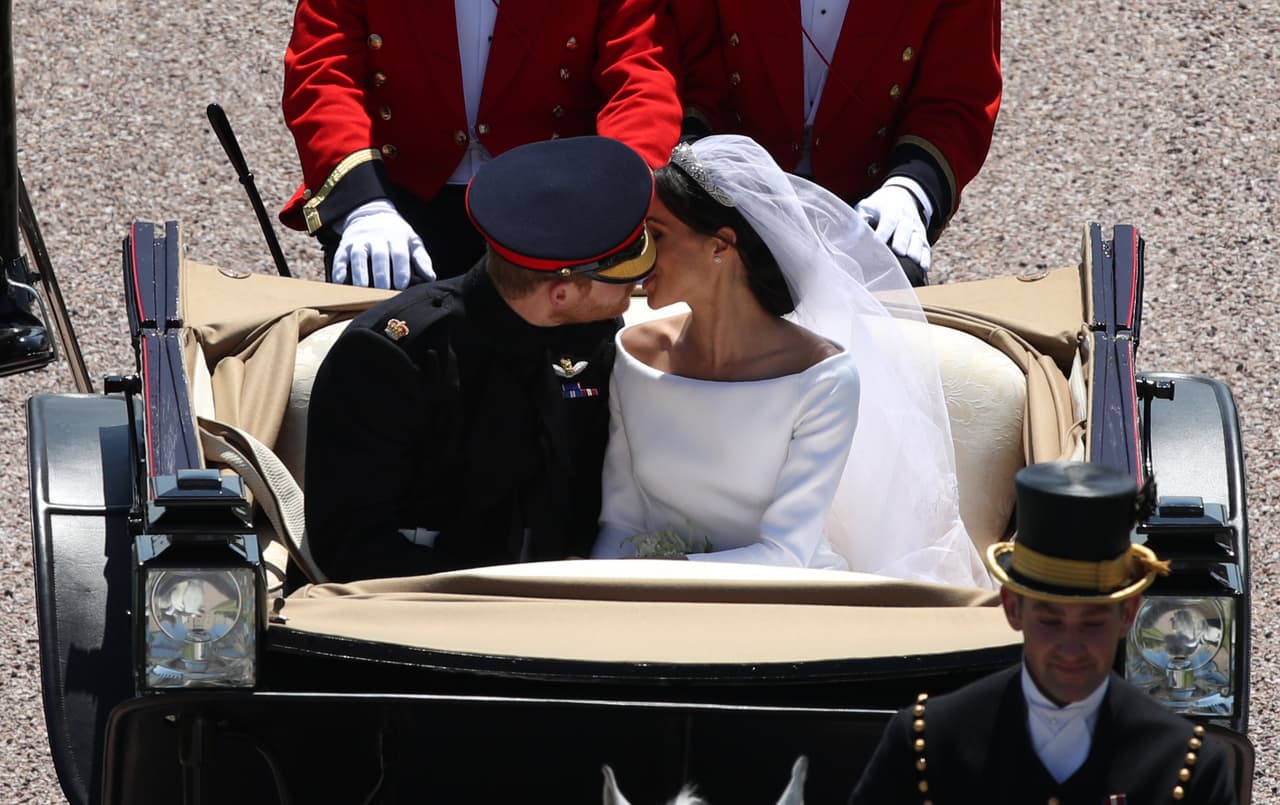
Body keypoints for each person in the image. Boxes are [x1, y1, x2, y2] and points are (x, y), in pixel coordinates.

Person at [591, 134, 990, 588]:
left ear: (720, 245)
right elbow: (621, 524)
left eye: (655, 235)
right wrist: (609, 595)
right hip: (645, 597)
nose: (637, 254)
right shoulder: (633, 354)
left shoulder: (824, 379)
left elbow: (785, 555)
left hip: (784, 602)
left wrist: (661, 577)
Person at [302, 136, 656, 583]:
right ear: (561, 293)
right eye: (622, 274)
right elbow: (350, 545)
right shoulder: (394, 357)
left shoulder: (591, 334)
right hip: (425, 604)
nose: (638, 285)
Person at [849, 461, 1239, 804]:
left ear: (1129, 615)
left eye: (1092, 622)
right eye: (1051, 621)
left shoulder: (1186, 766)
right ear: (1013, 608)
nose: (1071, 647)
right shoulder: (928, 743)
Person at [279, 0, 683, 289]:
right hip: (395, 198)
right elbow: (321, 73)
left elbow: (640, 79)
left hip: (552, 204)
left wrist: (618, 201)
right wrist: (363, 206)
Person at [669, 0, 1002, 285]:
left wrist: (909, 188)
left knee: (893, 285)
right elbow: (692, 63)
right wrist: (692, 167)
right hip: (732, 183)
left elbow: (956, 95)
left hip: (869, 191)